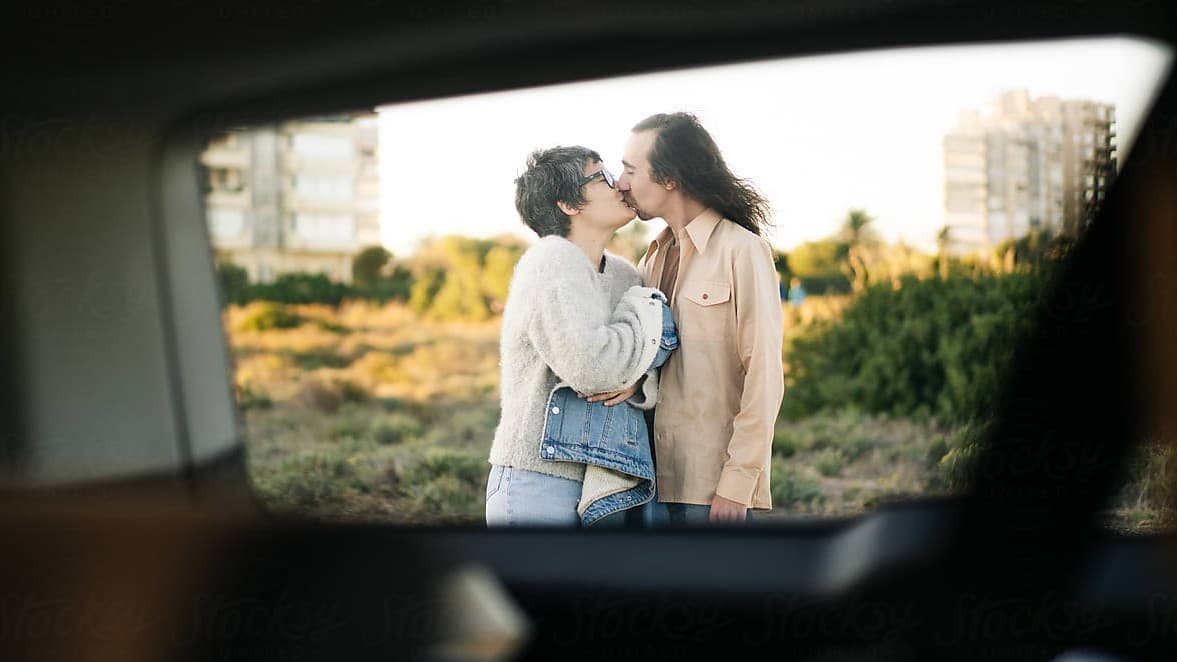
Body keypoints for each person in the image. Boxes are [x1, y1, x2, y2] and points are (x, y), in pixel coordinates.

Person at [485, 146, 677, 527]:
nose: (620, 183)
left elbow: (643, 363)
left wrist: (638, 377)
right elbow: (593, 368)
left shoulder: (624, 274)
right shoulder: (551, 259)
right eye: (602, 177)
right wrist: (641, 313)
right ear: (569, 204)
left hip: (600, 478)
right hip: (538, 481)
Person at [617, 112, 784, 525]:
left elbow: (764, 374)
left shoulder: (742, 250)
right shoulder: (650, 259)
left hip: (713, 492)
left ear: (670, 178)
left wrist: (737, 483)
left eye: (630, 169)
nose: (621, 182)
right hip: (651, 483)